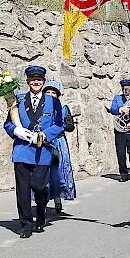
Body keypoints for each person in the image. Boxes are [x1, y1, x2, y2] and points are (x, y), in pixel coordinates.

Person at [3, 66, 64, 238]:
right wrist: (17, 131)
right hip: (22, 150)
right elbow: (8, 123)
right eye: (32, 79)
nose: (35, 82)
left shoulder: (53, 102)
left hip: (42, 150)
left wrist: (45, 135)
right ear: (28, 81)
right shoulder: (18, 100)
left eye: (39, 80)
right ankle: (26, 225)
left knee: (39, 186)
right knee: (23, 189)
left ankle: (42, 212)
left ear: (43, 82)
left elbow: (59, 124)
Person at [43, 80, 76, 214]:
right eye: (48, 92)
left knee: (59, 173)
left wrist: (59, 126)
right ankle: (42, 203)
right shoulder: (38, 108)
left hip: (59, 142)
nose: (50, 95)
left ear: (58, 95)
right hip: (44, 142)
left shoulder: (63, 109)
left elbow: (70, 126)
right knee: (43, 173)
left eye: (53, 93)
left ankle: (57, 199)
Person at [109, 79, 130, 182]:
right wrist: (121, 110)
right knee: (121, 153)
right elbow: (112, 109)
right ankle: (123, 174)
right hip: (120, 130)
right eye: (124, 88)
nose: (126, 90)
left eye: (128, 88)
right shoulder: (117, 98)